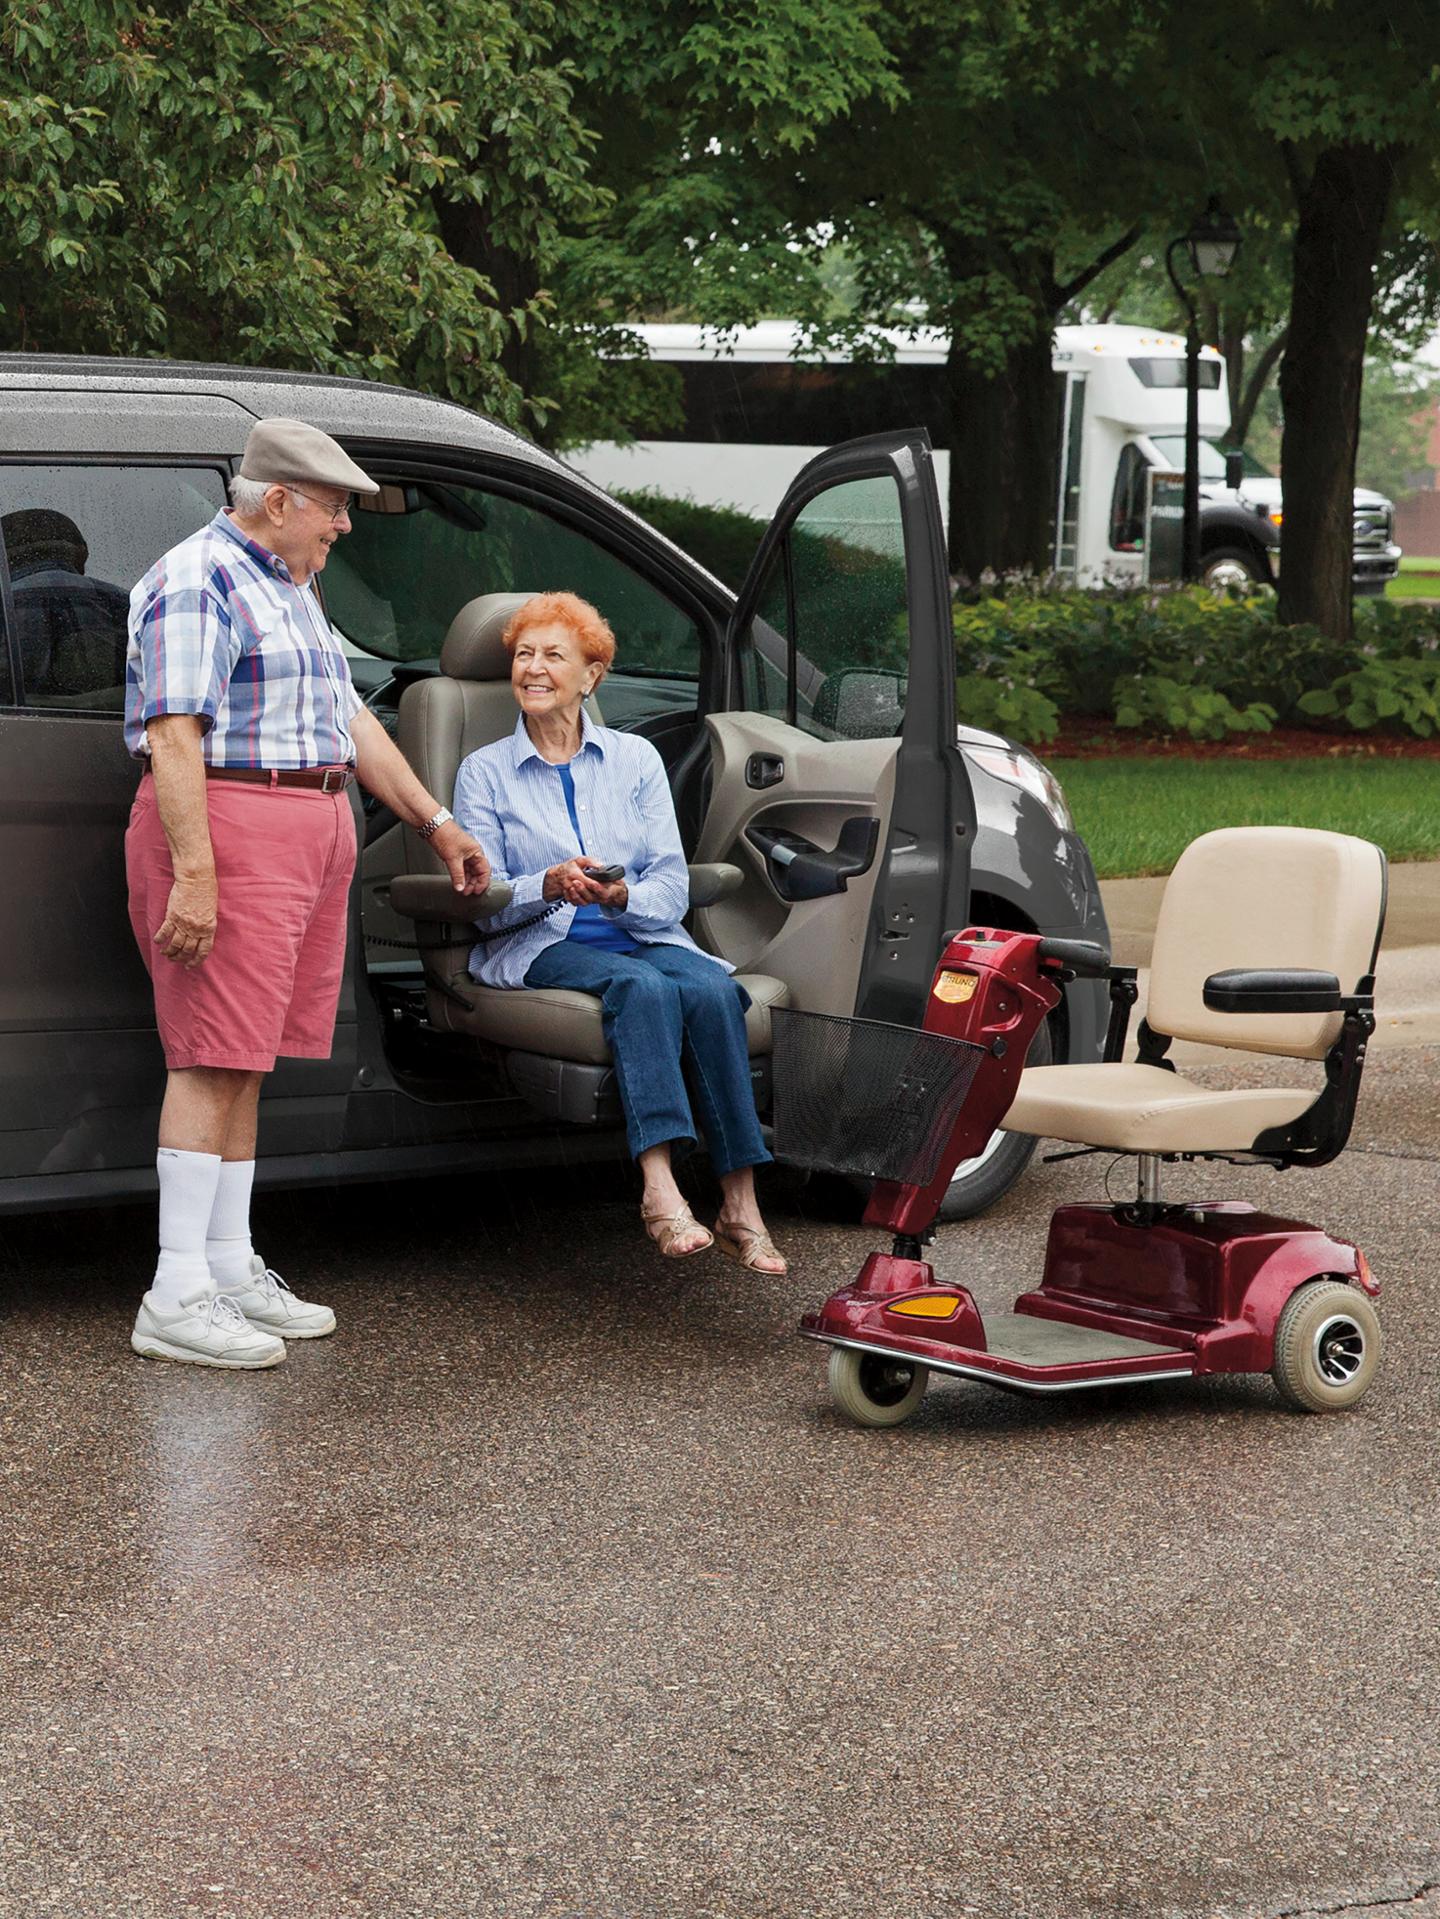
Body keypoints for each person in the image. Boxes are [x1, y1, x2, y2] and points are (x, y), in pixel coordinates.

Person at [125, 417, 491, 1368]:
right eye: (334, 508)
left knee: (246, 1058)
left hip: (302, 830)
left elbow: (350, 723)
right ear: (278, 500)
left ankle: (228, 1264)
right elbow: (174, 737)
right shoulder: (196, 579)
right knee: (209, 1055)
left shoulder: (289, 582)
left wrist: (435, 820)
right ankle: (174, 1291)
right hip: (233, 829)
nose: (344, 527)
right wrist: (195, 876)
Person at [452, 591, 786, 1272]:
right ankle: (659, 1188)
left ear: (591, 675)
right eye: (523, 655)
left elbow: (669, 884)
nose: (534, 669)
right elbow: (483, 901)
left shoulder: (635, 760)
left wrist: (621, 892)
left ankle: (739, 1202)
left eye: (553, 655)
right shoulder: (483, 771)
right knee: (642, 988)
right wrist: (547, 883)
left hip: (643, 931)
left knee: (717, 993)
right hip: (542, 941)